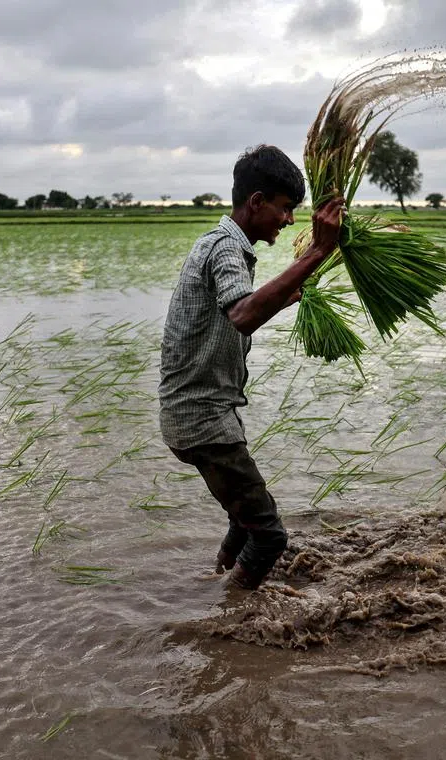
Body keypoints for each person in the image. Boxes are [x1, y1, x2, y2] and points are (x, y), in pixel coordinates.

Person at [158, 145, 344, 590]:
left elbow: (235, 314)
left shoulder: (222, 244)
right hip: (203, 422)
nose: (289, 220)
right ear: (256, 202)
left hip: (200, 416)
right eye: (284, 209)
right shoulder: (225, 248)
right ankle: (228, 617)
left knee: (244, 523)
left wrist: (286, 295)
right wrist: (317, 252)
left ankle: (214, 579)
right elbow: (242, 314)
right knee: (270, 536)